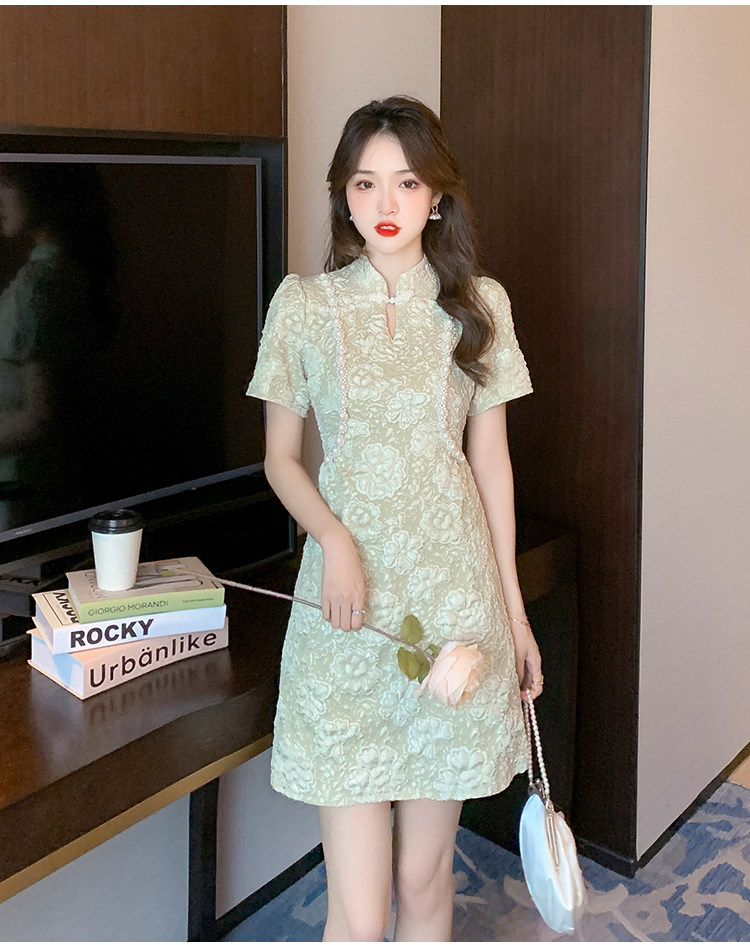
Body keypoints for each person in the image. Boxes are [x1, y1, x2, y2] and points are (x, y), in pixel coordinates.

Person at [246, 96, 543, 942]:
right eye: (365, 183)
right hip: (347, 613)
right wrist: (334, 537)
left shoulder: (479, 303)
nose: (385, 204)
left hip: (453, 608)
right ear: (343, 195)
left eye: (407, 183)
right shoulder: (303, 305)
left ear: (436, 196)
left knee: (422, 881)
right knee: (359, 900)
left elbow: (491, 466)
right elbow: (280, 458)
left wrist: (514, 615)